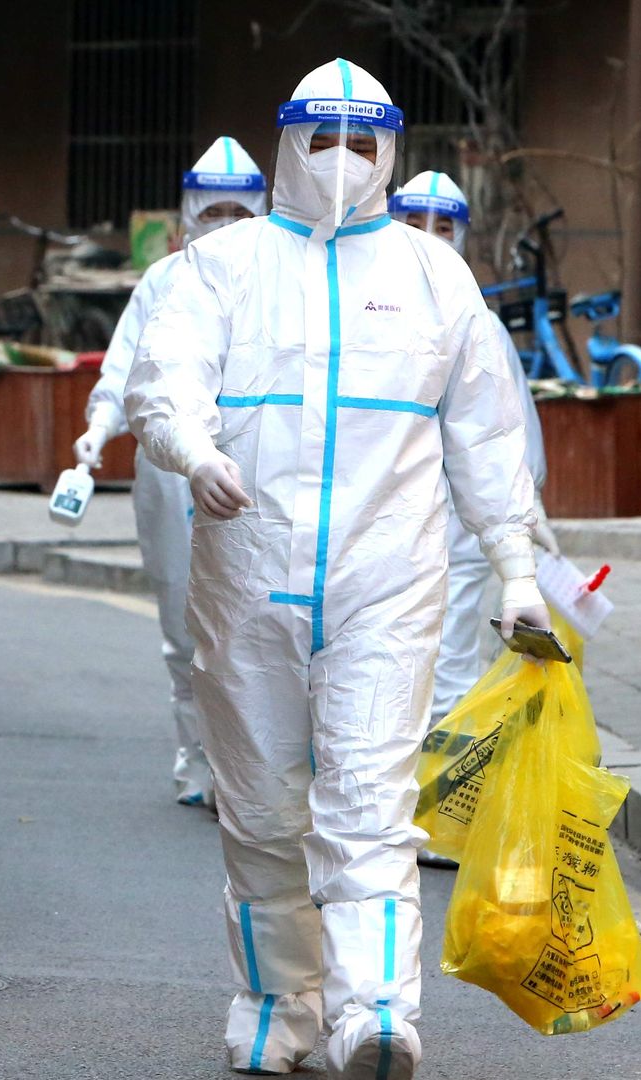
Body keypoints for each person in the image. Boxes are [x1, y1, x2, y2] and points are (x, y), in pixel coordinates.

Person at [125, 59, 546, 1078]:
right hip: (247, 579)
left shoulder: (434, 277)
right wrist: (194, 449)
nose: (345, 163)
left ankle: (376, 1018)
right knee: (263, 811)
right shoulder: (219, 268)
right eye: (326, 139)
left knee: (367, 803)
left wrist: (518, 572)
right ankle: (279, 1010)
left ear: (393, 151)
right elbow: (164, 378)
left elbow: (488, 439)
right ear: (288, 143)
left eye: (366, 143)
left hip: (385, 587)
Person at [73, 136, 267, 810]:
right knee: (182, 621)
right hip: (167, 475)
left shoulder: (276, 283)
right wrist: (98, 430)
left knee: (250, 622)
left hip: (247, 470)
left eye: (237, 213)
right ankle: (198, 762)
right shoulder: (163, 282)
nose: (223, 224)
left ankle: (247, 767)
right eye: (211, 211)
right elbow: (128, 369)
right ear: (188, 211)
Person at [389, 171, 555, 723]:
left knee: (452, 661)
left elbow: (507, 430)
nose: (428, 236)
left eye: (443, 226)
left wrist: (526, 508)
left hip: (461, 530)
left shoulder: (479, 323)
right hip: (378, 527)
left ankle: (436, 799)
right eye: (413, 222)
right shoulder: (364, 317)